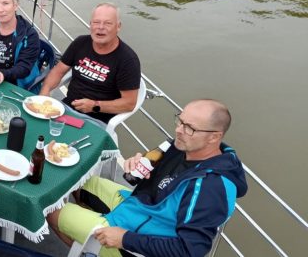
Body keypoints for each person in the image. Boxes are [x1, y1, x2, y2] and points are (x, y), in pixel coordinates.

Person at [46, 99, 247, 257]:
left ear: (214, 137)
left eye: (190, 128)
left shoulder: (210, 188)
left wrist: (125, 239)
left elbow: (190, 251)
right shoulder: (181, 146)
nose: (179, 130)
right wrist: (136, 162)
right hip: (137, 205)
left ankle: (93, 249)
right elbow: (153, 172)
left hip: (139, 237)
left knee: (50, 211)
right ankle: (91, 231)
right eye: (180, 120)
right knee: (77, 179)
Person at [38, 3, 141, 123]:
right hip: (66, 109)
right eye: (96, 22)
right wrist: (45, 91)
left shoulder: (128, 60)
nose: (101, 27)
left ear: (118, 26)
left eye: (108, 23)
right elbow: (58, 71)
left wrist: (95, 105)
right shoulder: (80, 43)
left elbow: (129, 103)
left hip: (96, 120)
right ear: (90, 24)